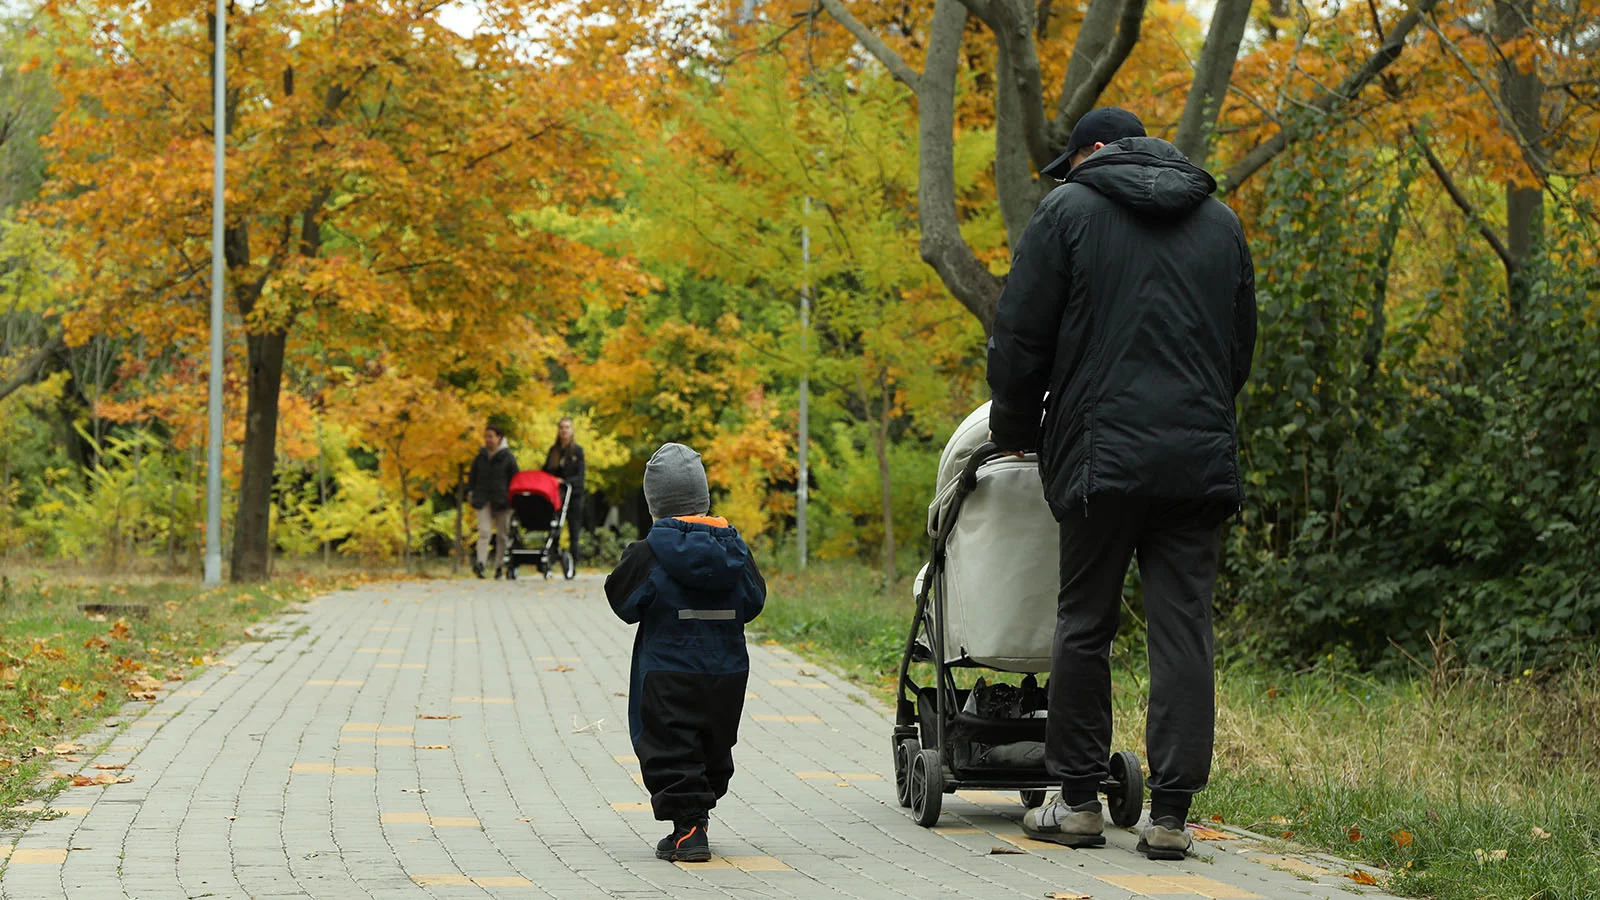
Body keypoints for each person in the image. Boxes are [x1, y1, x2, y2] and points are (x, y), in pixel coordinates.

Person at [985, 108, 1258, 860]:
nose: (1067, 173)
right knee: (1183, 630)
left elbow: (1020, 337)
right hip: (1197, 463)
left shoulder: (1067, 211)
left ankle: (1076, 803)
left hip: (1101, 458)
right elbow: (1238, 353)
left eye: (1071, 159)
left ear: (1097, 151)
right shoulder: (1223, 223)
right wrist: (1195, 416)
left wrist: (1016, 429)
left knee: (1084, 623)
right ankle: (1169, 816)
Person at [603, 443, 766, 863]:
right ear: (703, 495)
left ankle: (689, 828)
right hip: (727, 669)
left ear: (655, 502)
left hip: (667, 670)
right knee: (714, 741)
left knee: (669, 743)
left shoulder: (651, 552)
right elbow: (754, 600)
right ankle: (698, 818)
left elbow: (622, 601)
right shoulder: (736, 550)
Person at [466, 423, 518, 579]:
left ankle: (499, 565)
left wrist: (513, 497)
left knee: (503, 535)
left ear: (499, 437)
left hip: (503, 501)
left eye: (491, 436)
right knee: (484, 532)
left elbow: (515, 478)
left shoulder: (508, 457)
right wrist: (471, 492)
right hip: (483, 499)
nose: (488, 440)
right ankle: (481, 564)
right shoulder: (480, 456)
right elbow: (472, 476)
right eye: (486, 436)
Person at [543, 417, 587, 566]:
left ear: (572, 430)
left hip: (573, 495)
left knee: (574, 528)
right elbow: (546, 471)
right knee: (554, 525)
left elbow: (580, 476)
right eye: (562, 427)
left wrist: (565, 482)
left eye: (567, 427)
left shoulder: (577, 451)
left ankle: (574, 559)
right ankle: (552, 555)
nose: (564, 430)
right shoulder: (553, 451)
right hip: (556, 495)